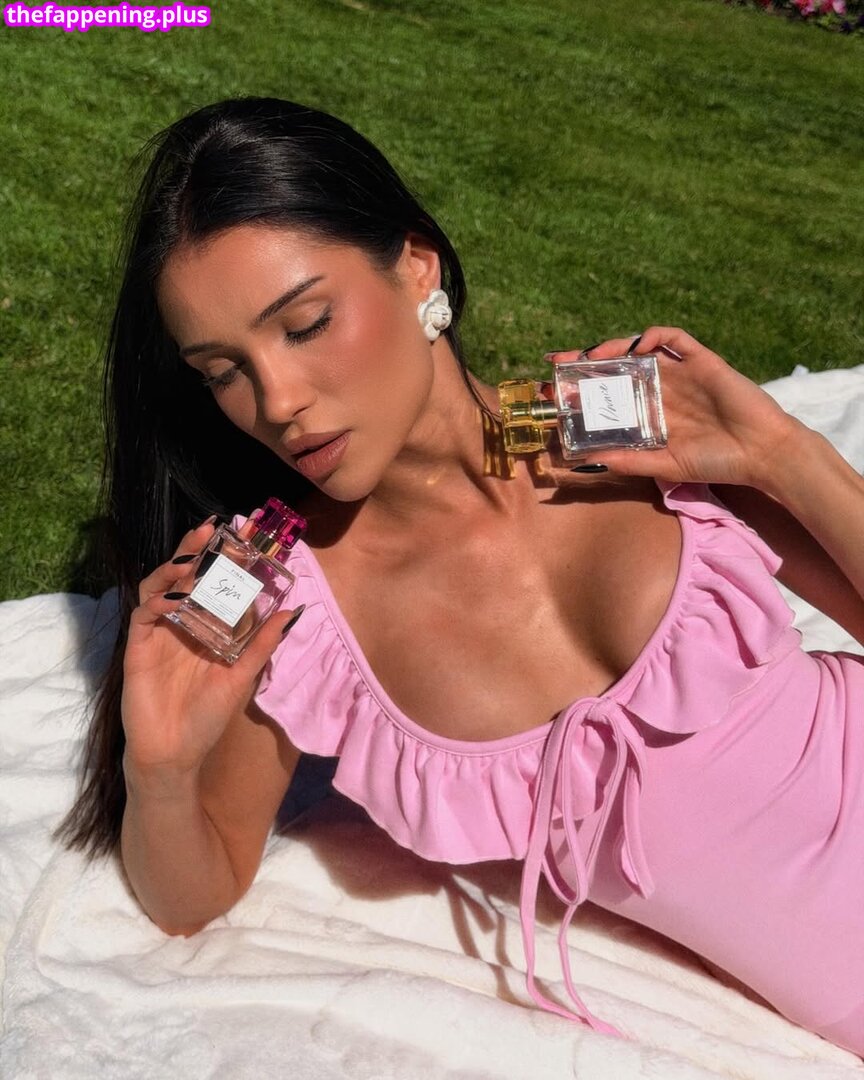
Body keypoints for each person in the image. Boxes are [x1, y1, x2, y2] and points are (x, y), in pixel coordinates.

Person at [59, 96, 864, 1058]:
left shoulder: (620, 424)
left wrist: (788, 456)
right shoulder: (298, 614)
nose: (277, 401)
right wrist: (158, 768)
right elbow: (194, 894)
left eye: (306, 323)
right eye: (223, 371)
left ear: (416, 266)